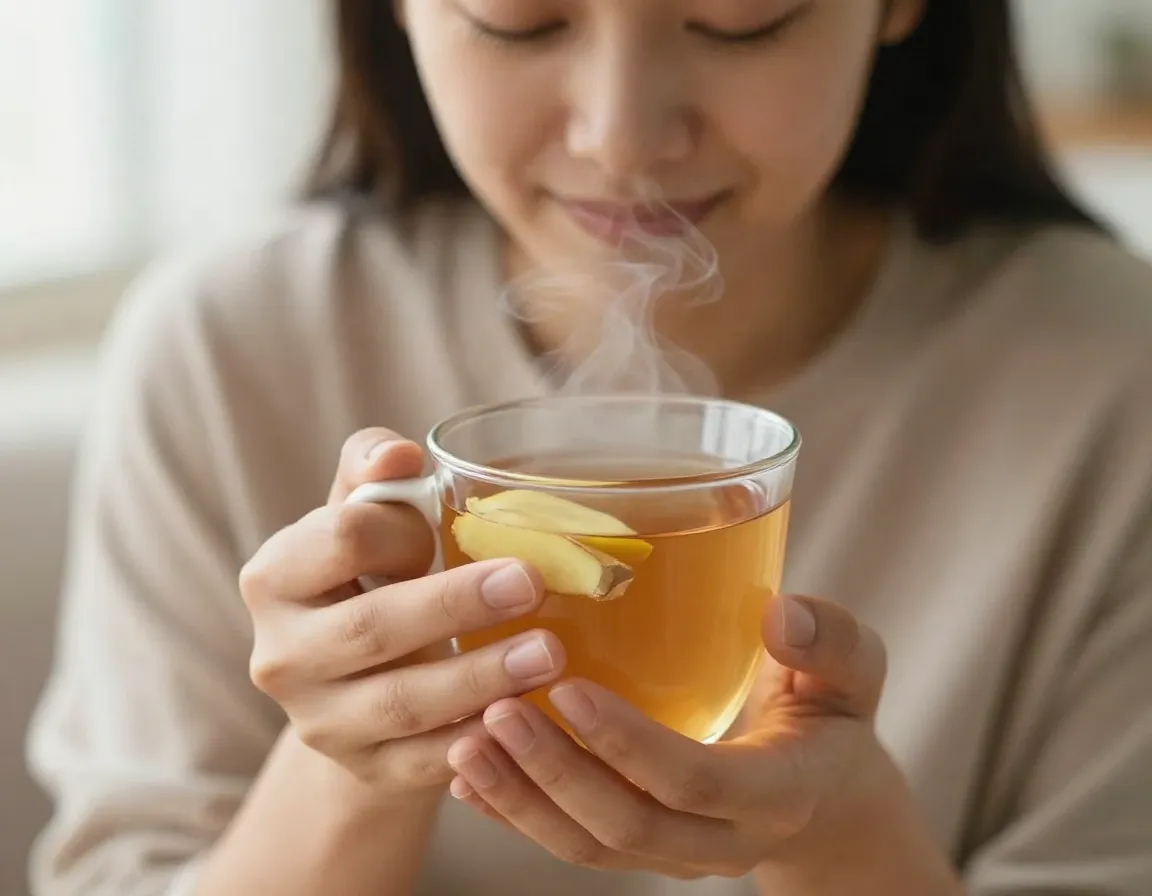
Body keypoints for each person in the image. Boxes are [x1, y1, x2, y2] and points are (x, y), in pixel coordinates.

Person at [25, 0, 1152, 893]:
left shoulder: (1112, 377)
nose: (621, 134)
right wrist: (362, 754)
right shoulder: (230, 347)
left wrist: (841, 826)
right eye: (520, 18)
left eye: (739, 18)